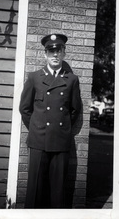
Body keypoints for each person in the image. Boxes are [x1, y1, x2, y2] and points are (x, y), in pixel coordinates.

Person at [19, 33, 81, 208]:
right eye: (51, 51)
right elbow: (24, 109)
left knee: (58, 191)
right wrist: (37, 126)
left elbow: (75, 110)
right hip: (38, 140)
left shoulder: (72, 80)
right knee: (35, 190)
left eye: (59, 50)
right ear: (45, 54)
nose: (55, 55)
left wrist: (62, 130)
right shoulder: (34, 78)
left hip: (61, 141)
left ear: (64, 53)